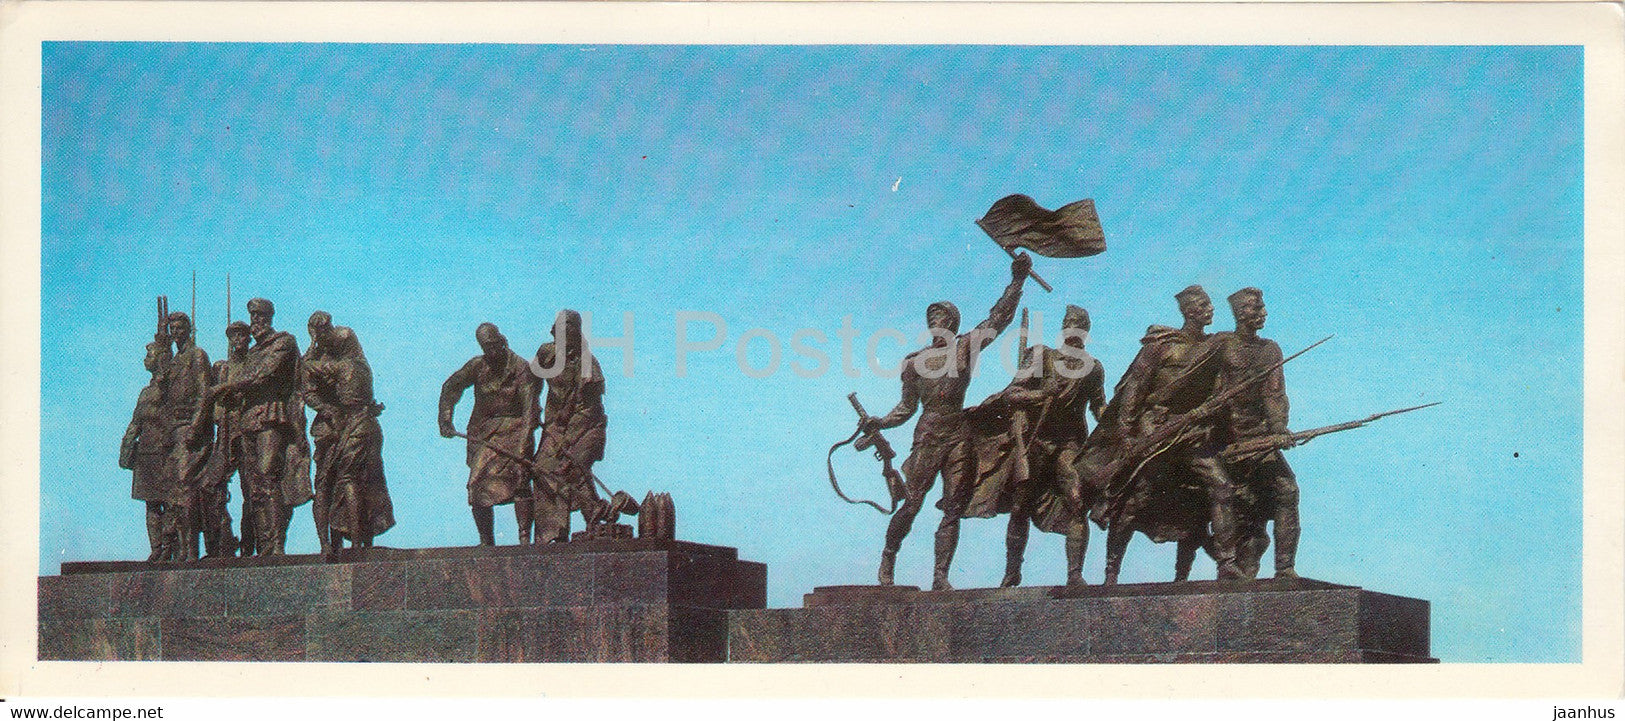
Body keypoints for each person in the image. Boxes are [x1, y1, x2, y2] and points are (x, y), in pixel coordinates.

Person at [868, 252, 1030, 590]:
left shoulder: (965, 348)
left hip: (959, 433)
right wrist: (880, 422)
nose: (934, 320)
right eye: (931, 316)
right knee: (911, 503)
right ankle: (888, 557)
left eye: (940, 315)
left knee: (953, 508)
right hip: (928, 433)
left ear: (952, 322)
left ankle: (940, 576)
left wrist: (1017, 280)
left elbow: (998, 319)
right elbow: (905, 408)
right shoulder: (913, 363)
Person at [1093, 285, 1245, 583]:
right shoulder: (1161, 345)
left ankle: (1226, 563)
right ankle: (1112, 570)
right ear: (1189, 311)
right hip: (1156, 427)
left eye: (1210, 303)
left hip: (1190, 429)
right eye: (1204, 304)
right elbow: (1135, 388)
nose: (1210, 309)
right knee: (1139, 497)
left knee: (1221, 485)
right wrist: (1126, 433)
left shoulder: (1216, 345)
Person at [965, 305, 1106, 587]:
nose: (1074, 329)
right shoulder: (1043, 356)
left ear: (1086, 332)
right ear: (1063, 327)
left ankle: (1075, 574)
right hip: (1037, 441)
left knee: (1077, 500)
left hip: (1070, 443)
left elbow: (1098, 405)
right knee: (1020, 506)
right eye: (1070, 323)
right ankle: (1012, 570)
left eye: (1080, 325)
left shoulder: (1093, 368)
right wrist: (1042, 393)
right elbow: (1012, 393)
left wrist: (1113, 424)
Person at [208, 298, 313, 556]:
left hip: (271, 416)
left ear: (269, 317)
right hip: (248, 422)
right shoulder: (251, 353)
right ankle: (265, 544)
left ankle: (276, 544)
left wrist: (226, 387)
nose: (256, 322)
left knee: (268, 478)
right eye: (253, 317)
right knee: (254, 488)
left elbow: (264, 374)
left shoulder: (283, 343)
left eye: (260, 317)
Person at [1212, 287, 1299, 580]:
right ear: (1239, 313)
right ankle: (1227, 564)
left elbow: (1275, 394)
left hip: (1260, 440)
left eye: (1262, 308)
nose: (1262, 313)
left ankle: (1285, 568)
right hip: (1225, 440)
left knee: (1287, 490)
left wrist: (1278, 429)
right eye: (1254, 308)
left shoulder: (1270, 349)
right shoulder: (1221, 346)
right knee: (1239, 511)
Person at [439, 323, 540, 546]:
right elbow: (451, 387)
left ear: (502, 341)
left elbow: (529, 410)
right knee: (476, 484)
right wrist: (445, 419)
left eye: (494, 346)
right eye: (486, 348)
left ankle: (524, 538)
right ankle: (486, 541)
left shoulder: (521, 368)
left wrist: (524, 444)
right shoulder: (477, 366)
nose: (492, 352)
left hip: (515, 430)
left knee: (520, 478)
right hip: (484, 433)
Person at [303, 312, 395, 552]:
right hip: (332, 429)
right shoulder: (356, 363)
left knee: (354, 481)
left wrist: (313, 346)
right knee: (326, 485)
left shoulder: (346, 363)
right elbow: (307, 389)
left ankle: (357, 541)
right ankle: (329, 545)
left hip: (351, 425)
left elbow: (310, 369)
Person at [531, 309, 608, 543]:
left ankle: (594, 518)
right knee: (542, 468)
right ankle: (552, 534)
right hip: (556, 426)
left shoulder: (587, 363)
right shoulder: (546, 354)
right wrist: (533, 408)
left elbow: (588, 410)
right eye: (559, 333)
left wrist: (567, 441)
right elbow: (531, 382)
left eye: (568, 333)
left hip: (587, 428)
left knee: (571, 467)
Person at [187, 321, 251, 559]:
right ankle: (222, 545)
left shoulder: (253, 362)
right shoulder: (223, 368)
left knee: (251, 492)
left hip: (247, 435)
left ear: (248, 338)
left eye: (241, 336)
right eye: (233, 337)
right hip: (225, 436)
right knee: (208, 486)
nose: (237, 341)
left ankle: (249, 547)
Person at [159, 312, 211, 562]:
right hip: (173, 430)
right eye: (174, 329)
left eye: (181, 328)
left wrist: (196, 426)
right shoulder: (173, 360)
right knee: (173, 493)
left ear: (189, 329)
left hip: (189, 428)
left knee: (185, 489)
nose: (177, 332)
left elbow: (204, 393)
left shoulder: (197, 355)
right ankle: (180, 550)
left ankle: (191, 550)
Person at [120, 340, 173, 562]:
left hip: (166, 453)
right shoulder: (145, 393)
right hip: (146, 455)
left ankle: (171, 546)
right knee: (151, 504)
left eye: (149, 354)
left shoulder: (171, 388)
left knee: (171, 503)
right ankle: (157, 548)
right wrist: (126, 449)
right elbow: (135, 423)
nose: (145, 359)